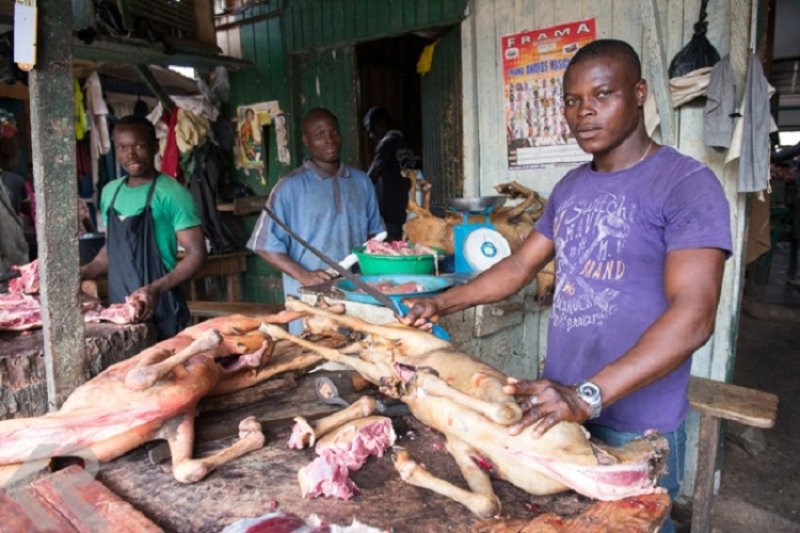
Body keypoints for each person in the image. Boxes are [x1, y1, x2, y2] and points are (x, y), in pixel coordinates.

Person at [402, 39, 732, 530]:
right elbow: (518, 268)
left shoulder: (686, 185)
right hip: (556, 408)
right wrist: (441, 302)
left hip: (634, 422)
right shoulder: (572, 188)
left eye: (603, 95)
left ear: (639, 93)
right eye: (573, 101)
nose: (584, 113)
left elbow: (694, 316)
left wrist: (588, 395)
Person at [247, 107, 384, 333]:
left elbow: (374, 237)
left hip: (355, 295)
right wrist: (304, 275)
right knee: (313, 357)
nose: (329, 140)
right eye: (319, 134)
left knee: (358, 358)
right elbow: (263, 244)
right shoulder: (289, 187)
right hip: (309, 299)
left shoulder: (361, 182)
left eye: (334, 132)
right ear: (306, 140)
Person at [81, 115, 207, 340]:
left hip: (163, 306)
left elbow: (196, 254)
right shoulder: (110, 192)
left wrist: (155, 289)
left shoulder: (172, 193)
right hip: (121, 310)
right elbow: (110, 251)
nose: (130, 155)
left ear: (155, 146)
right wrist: (83, 272)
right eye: (122, 147)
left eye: (139, 146)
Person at [363, 107, 419, 241]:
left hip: (391, 212)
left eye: (371, 130)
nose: (371, 136)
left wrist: (357, 190)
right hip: (407, 209)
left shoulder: (387, 143)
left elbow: (372, 174)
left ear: (380, 124)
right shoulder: (404, 143)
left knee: (391, 250)